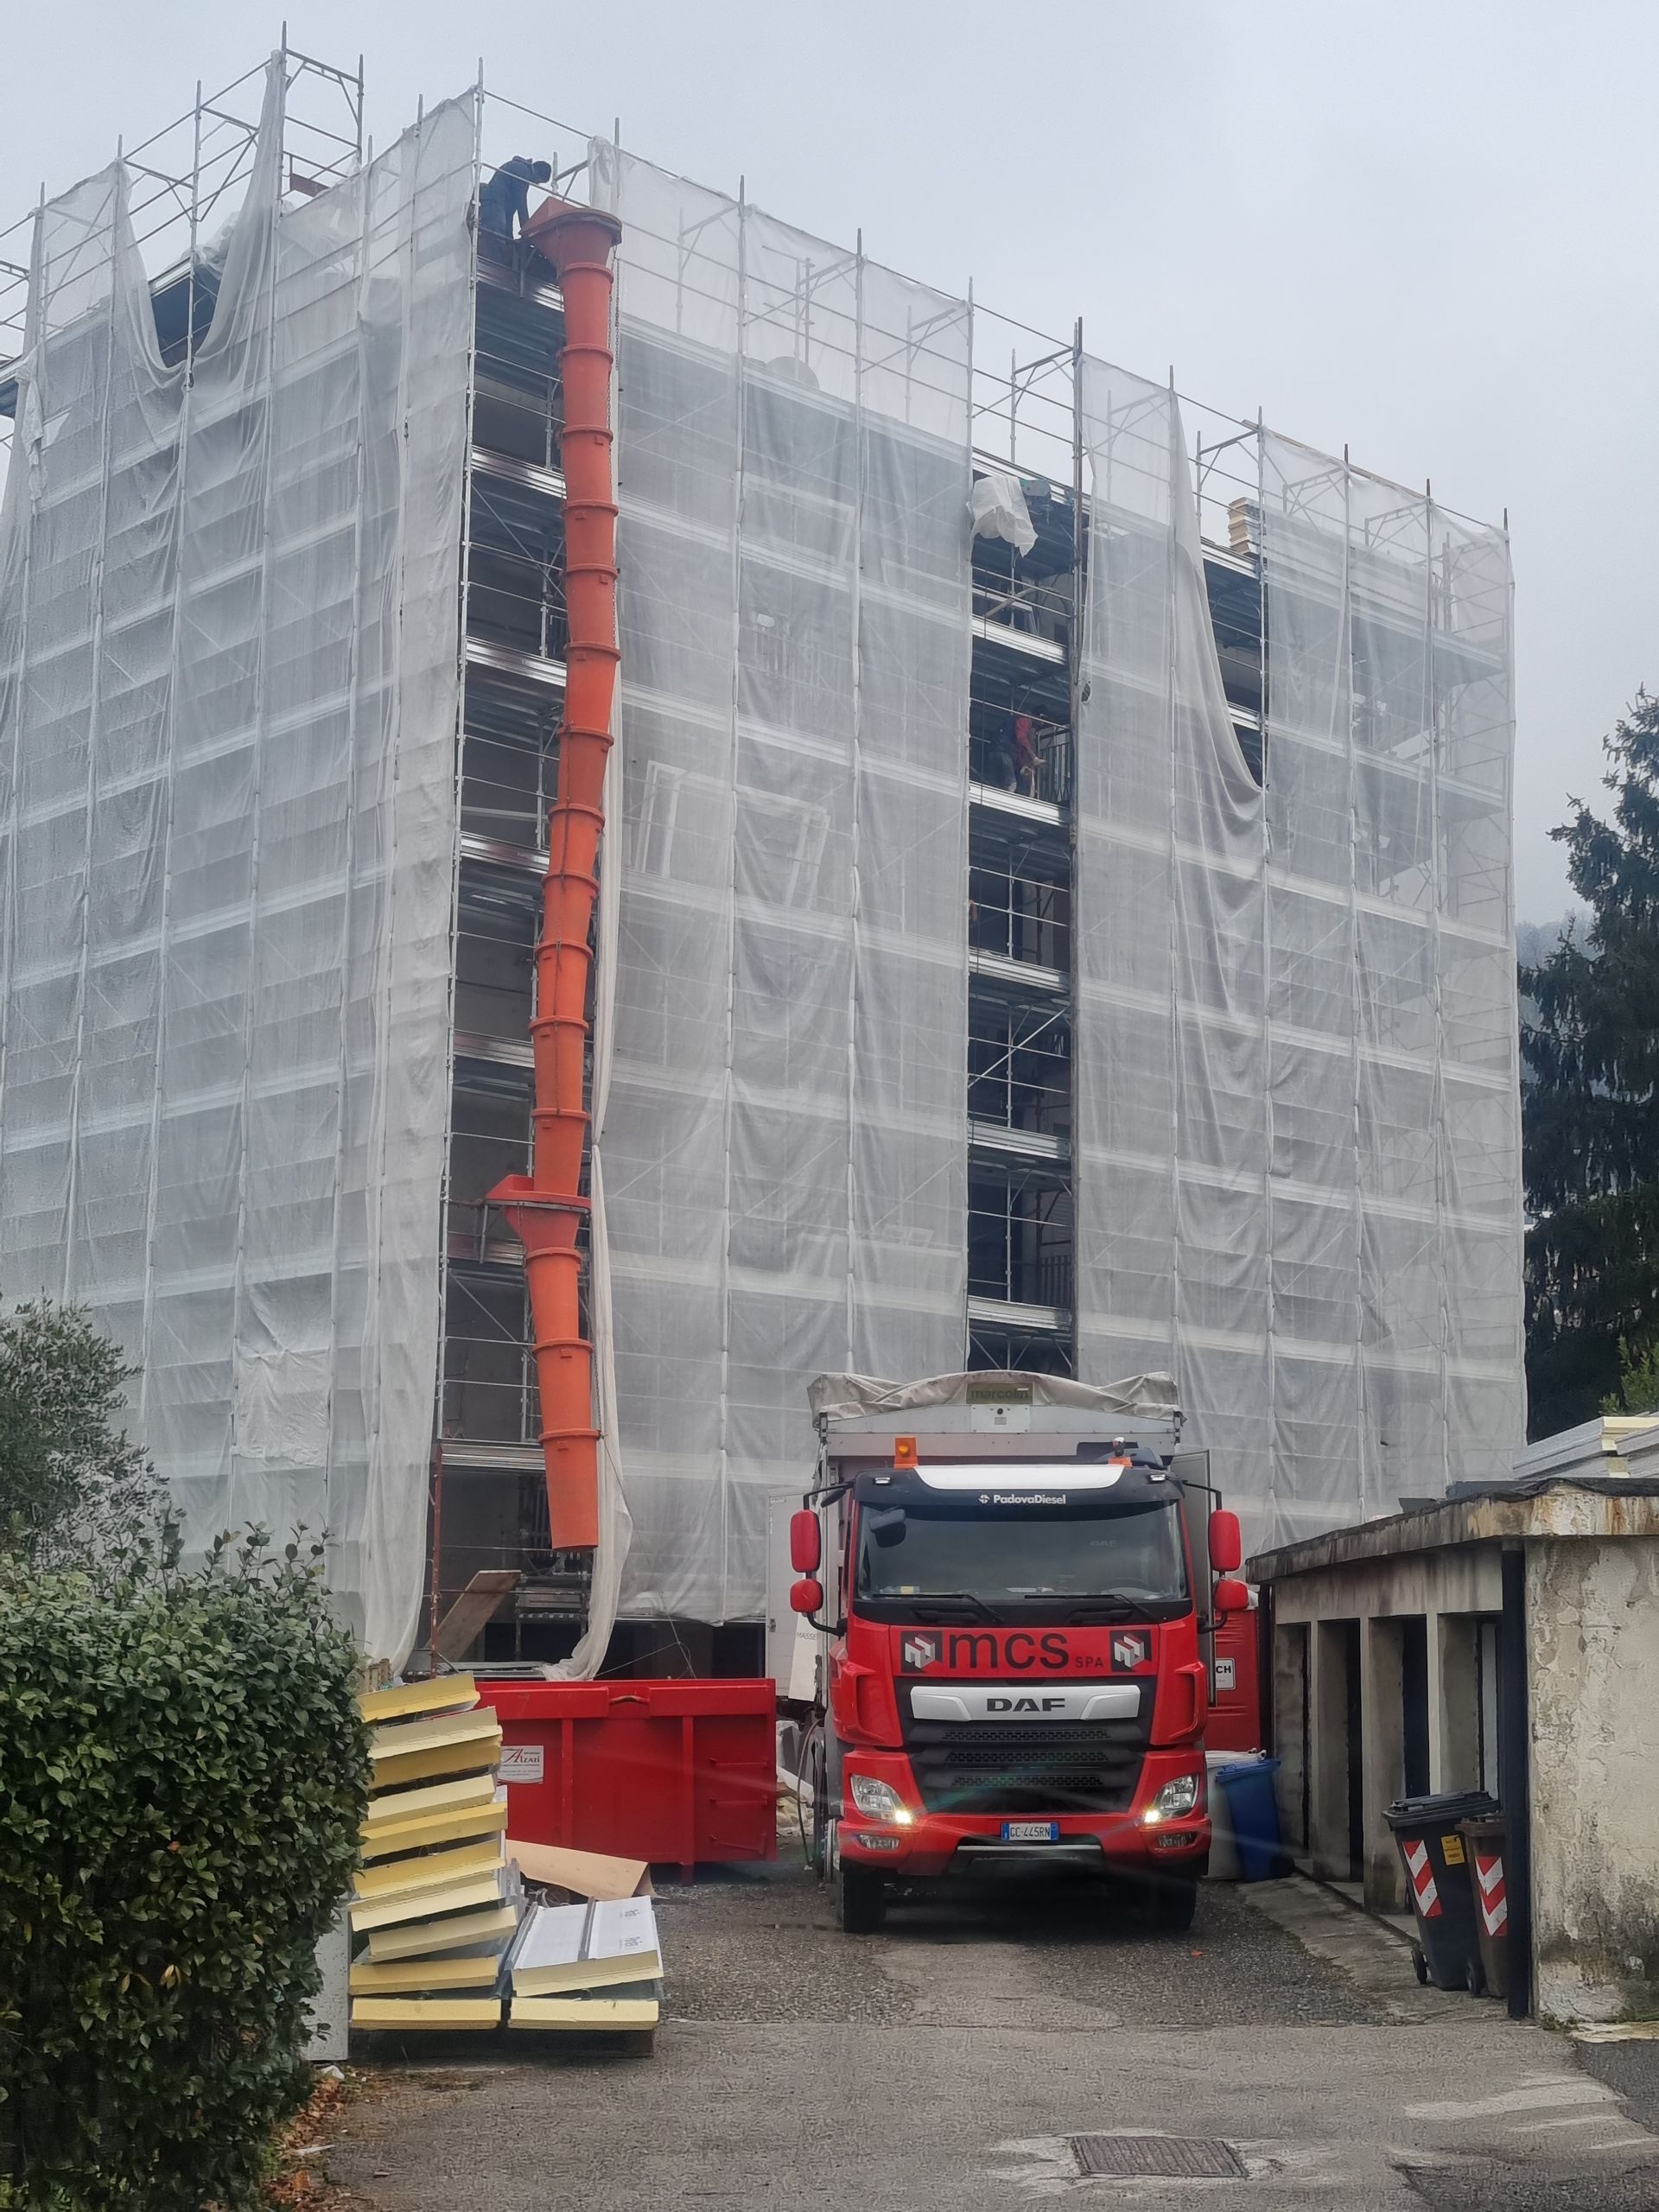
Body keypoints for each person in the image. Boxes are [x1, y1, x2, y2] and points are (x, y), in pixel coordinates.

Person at [479, 156, 553, 256]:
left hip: (495, 203)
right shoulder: (522, 171)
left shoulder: (519, 168)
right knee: (496, 233)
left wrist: (510, 239)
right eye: (539, 182)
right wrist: (528, 230)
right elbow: (521, 203)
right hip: (494, 202)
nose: (536, 183)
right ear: (537, 176)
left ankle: (500, 256)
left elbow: (510, 212)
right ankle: (494, 258)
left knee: (501, 234)